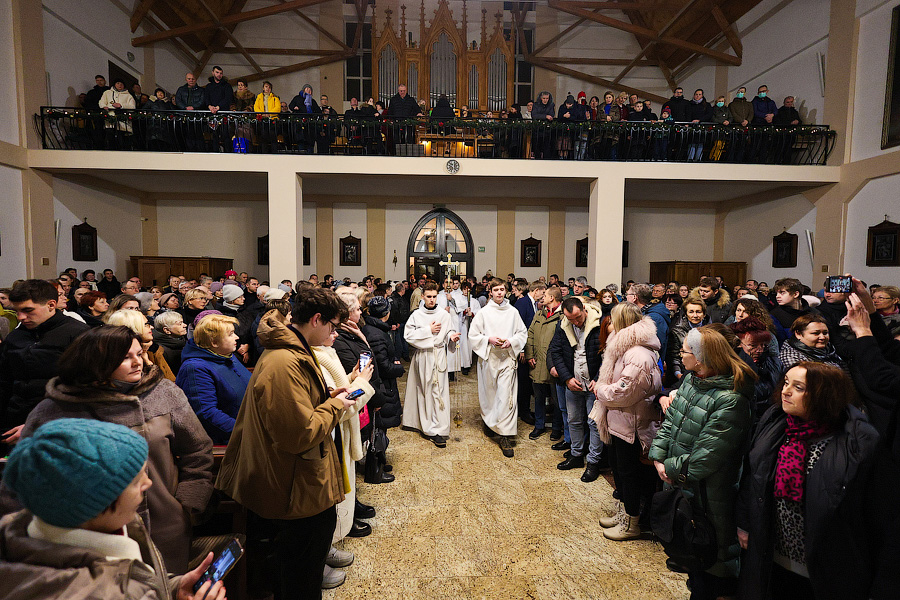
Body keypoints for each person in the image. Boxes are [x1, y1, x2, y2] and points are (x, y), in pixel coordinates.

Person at [12, 326, 214, 573]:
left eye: (139, 354)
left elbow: (198, 449)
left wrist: (187, 503)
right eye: (125, 357)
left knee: (165, 586)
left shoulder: (165, 393)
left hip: (166, 521)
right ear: (95, 362)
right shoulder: (56, 407)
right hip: (84, 531)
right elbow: (26, 473)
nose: (137, 363)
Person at [216, 287, 356, 599]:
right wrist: (337, 406)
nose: (334, 333)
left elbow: (297, 409)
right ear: (316, 319)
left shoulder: (293, 352)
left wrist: (324, 399)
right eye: (333, 326)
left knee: (302, 569)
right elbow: (299, 434)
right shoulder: (284, 361)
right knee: (299, 578)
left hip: (295, 482)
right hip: (290, 488)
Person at [0, 418, 225, 600]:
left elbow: (129, 575)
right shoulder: (97, 593)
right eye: (136, 481)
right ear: (95, 503)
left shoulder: (29, 527)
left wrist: (172, 588)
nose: (148, 484)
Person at [737, 362, 899, 600]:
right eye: (786, 382)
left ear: (824, 395)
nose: (785, 390)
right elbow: (754, 476)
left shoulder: (858, 443)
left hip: (825, 571)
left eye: (798, 387)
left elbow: (881, 518)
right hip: (772, 558)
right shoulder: (777, 422)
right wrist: (745, 523)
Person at [650, 326, 756, 599]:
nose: (680, 355)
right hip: (684, 485)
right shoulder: (692, 379)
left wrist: (670, 468)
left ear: (700, 357)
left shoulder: (731, 399)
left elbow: (706, 456)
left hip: (711, 494)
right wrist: (658, 456)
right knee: (694, 560)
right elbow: (670, 421)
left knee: (713, 567)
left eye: (684, 351)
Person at [589, 303, 662, 540]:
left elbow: (625, 392)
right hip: (620, 421)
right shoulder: (625, 347)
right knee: (621, 473)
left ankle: (632, 523)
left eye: (613, 319)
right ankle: (625, 513)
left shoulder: (638, 354)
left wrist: (600, 390)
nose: (609, 323)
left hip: (632, 423)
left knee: (630, 475)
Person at [0, 279, 90, 447]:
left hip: (58, 425)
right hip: (13, 423)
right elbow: (4, 382)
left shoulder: (79, 334)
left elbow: (85, 389)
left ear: (51, 305)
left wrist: (38, 424)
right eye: (17, 311)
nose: (21, 317)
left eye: (27, 310)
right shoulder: (16, 336)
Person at [547, 296, 606, 479]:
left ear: (584, 310)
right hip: (573, 382)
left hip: (594, 383)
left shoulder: (599, 323)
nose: (576, 322)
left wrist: (599, 378)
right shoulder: (563, 325)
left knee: (594, 423)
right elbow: (556, 352)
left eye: (578, 318)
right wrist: (567, 378)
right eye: (571, 319)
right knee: (573, 420)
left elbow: (607, 354)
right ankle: (576, 455)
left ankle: (594, 462)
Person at [469, 278, 528, 458]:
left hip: (507, 359)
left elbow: (522, 333)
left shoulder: (513, 312)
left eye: (502, 289)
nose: (500, 293)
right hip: (489, 358)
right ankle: (490, 422)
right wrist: (488, 339)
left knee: (505, 395)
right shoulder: (484, 313)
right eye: (496, 290)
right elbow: (473, 335)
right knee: (490, 394)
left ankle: (505, 435)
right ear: (491, 292)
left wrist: (511, 341)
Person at [176, 314, 251, 445]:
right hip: (228, 441)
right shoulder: (195, 368)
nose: (237, 337)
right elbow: (206, 413)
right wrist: (246, 431)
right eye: (230, 334)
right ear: (214, 342)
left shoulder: (226, 356)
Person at [402, 283, 457, 448]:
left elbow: (448, 331)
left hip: (438, 355)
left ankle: (437, 428)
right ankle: (426, 425)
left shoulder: (444, 315)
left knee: (437, 392)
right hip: (423, 356)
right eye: (429, 296)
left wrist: (452, 337)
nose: (432, 300)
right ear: (422, 297)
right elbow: (408, 335)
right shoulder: (416, 315)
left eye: (434, 296)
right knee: (425, 390)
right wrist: (428, 330)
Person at [525, 286, 563, 440]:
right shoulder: (540, 313)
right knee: (539, 396)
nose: (542, 296)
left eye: (545, 294)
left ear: (552, 298)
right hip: (537, 361)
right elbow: (531, 334)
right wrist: (529, 355)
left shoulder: (562, 315)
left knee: (557, 398)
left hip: (554, 364)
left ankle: (556, 428)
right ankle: (539, 425)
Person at [731, 316, 782, 427]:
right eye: (753, 346)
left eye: (763, 345)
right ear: (739, 344)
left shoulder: (774, 362)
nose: (759, 350)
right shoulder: (733, 367)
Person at [106, 309, 176, 382]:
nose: (151, 327)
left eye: (139, 354)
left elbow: (169, 381)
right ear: (133, 328)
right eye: (146, 325)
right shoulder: (114, 354)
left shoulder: (153, 349)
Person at [779, 314, 849, 374]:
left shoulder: (831, 352)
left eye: (825, 333)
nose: (822, 337)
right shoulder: (791, 357)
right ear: (798, 334)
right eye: (815, 333)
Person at [667, 298, 710, 382]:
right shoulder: (677, 331)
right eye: (691, 312)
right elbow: (673, 355)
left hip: (706, 373)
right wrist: (678, 373)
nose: (695, 315)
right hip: (684, 372)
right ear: (686, 314)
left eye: (698, 312)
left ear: (704, 314)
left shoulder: (711, 330)